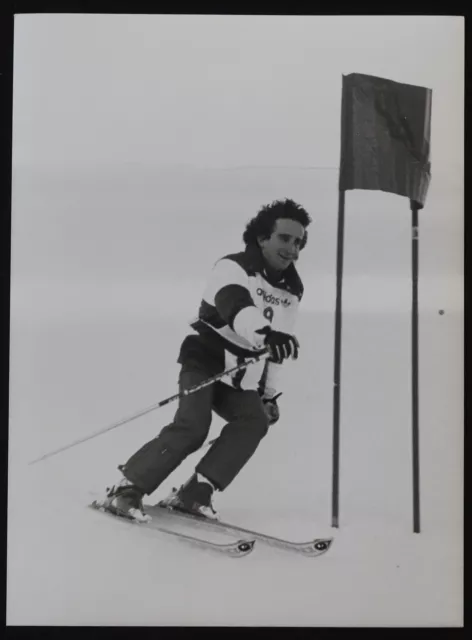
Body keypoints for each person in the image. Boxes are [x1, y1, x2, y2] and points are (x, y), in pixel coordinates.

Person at [96, 198, 312, 522]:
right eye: (285, 238)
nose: (292, 250)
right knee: (194, 426)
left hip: (242, 376)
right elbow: (234, 305)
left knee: (254, 421)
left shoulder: (291, 290)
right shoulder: (232, 267)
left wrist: (268, 395)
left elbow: (275, 352)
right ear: (262, 238)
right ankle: (127, 489)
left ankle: (195, 493)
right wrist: (266, 334)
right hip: (205, 360)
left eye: (299, 242)